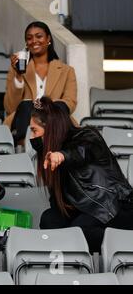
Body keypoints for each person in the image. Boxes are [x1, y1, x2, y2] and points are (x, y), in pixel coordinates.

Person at [30, 96, 133, 252]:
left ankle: (123, 242)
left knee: (79, 231)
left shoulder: (88, 136)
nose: (32, 138)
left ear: (50, 129)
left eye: (34, 131)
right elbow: (58, 201)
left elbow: (81, 152)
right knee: (49, 220)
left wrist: (62, 156)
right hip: (83, 210)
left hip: (113, 206)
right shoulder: (48, 155)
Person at [4, 21, 77, 146]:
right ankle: (25, 147)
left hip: (54, 119)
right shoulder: (17, 69)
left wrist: (46, 107)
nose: (34, 41)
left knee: (60, 105)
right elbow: (11, 107)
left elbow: (70, 102)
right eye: (29, 38)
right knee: (27, 106)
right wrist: (18, 76)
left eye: (39, 36)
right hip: (25, 123)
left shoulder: (66, 71)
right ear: (26, 43)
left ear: (48, 39)